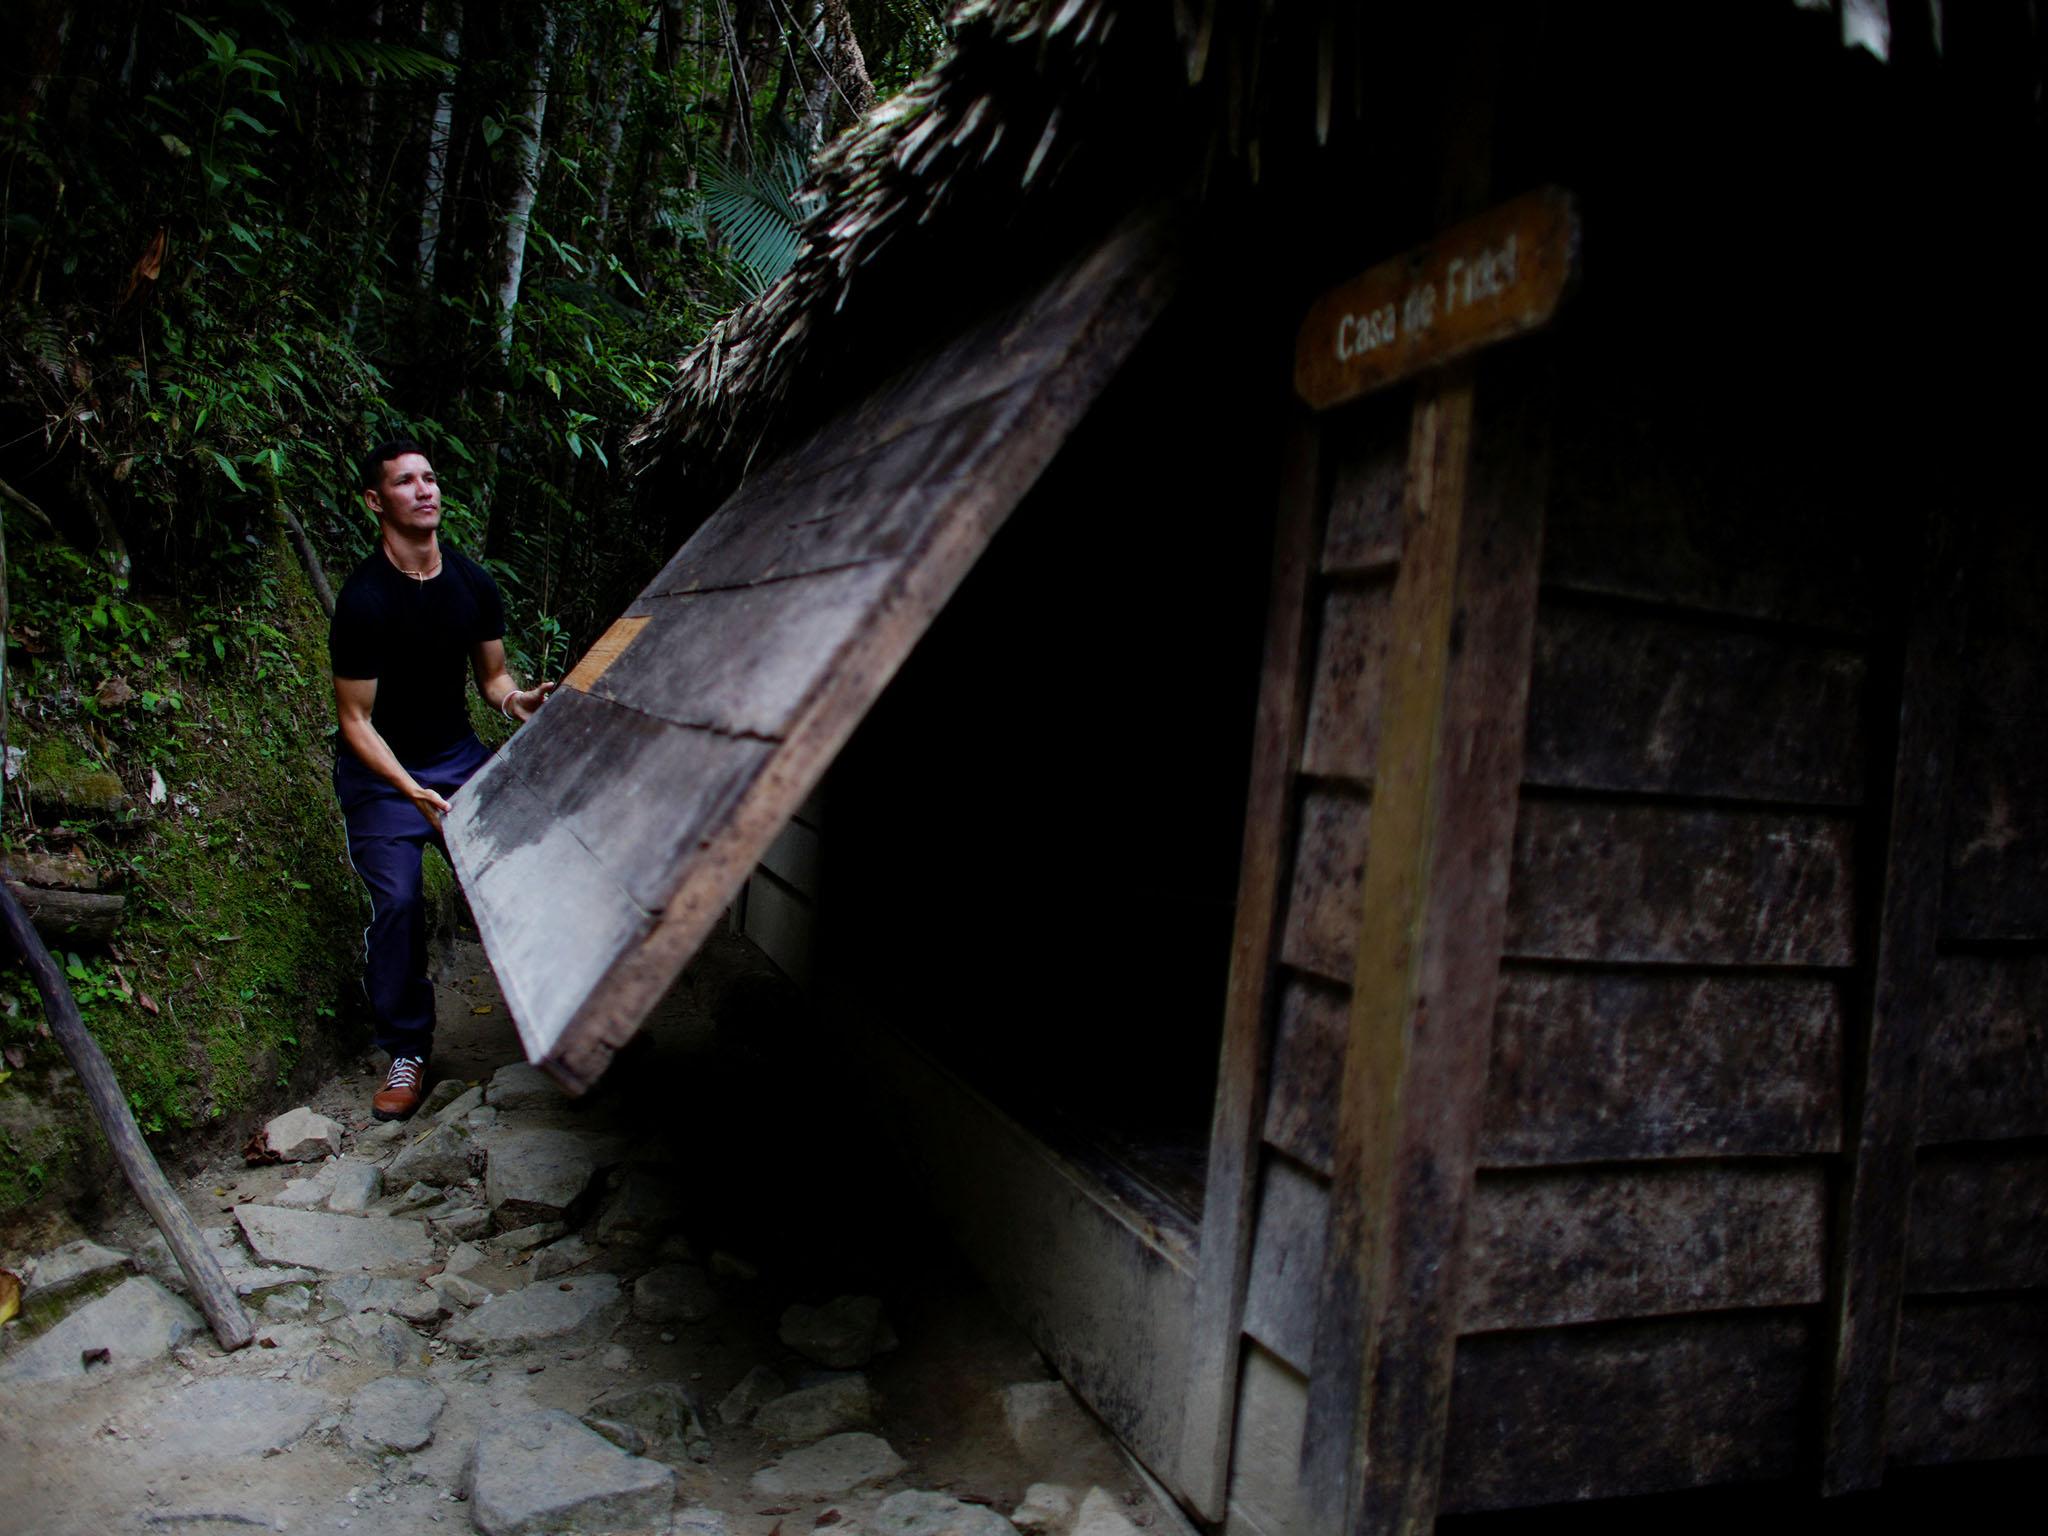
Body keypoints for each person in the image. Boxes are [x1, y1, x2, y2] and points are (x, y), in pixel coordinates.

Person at [330, 437, 555, 1120]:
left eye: (430, 478)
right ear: (376, 502)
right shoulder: (364, 601)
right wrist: (408, 788)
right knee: (398, 901)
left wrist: (518, 704)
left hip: (457, 758)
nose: (425, 490)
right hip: (381, 773)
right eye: (405, 482)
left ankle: (562, 1020)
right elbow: (356, 722)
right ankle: (407, 1051)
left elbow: (493, 679)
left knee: (515, 874)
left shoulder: (470, 584)